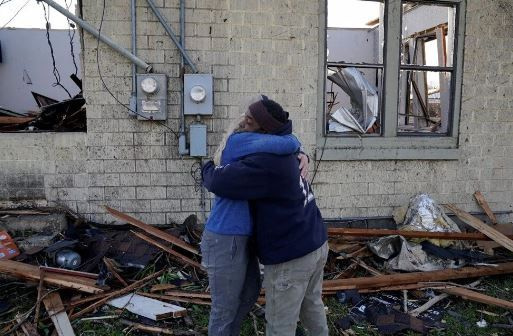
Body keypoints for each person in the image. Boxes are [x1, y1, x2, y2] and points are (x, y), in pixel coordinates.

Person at [202, 98, 328, 336]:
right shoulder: (286, 151)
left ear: (264, 133)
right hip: (316, 242)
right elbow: (288, 140)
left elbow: (217, 180)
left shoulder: (264, 161)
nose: (242, 123)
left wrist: (206, 166)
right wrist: (301, 150)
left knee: (280, 324)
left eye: (249, 121)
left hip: (291, 255)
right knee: (311, 305)